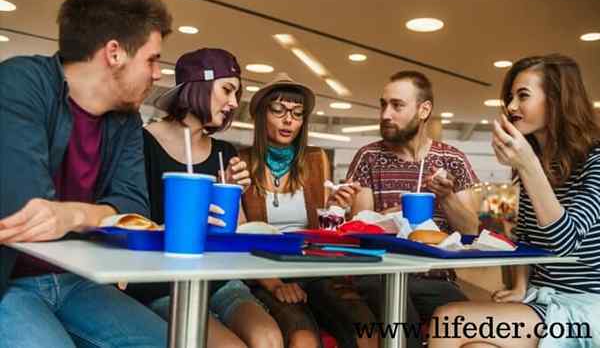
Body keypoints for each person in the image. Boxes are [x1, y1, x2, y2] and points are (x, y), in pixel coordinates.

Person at [0, 0, 172, 347]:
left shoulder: (126, 120)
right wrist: (98, 215)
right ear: (114, 53)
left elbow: (133, 208)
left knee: (169, 342)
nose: (157, 74)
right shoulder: (19, 83)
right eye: (152, 59)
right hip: (9, 281)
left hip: (75, 280)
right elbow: (27, 214)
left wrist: (73, 215)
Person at [429, 54, 600, 348]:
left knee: (448, 321)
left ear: (558, 100)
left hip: (584, 307)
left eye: (523, 96)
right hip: (540, 297)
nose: (510, 107)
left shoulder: (594, 161)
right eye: (510, 97)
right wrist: (448, 198)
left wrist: (528, 164)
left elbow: (565, 241)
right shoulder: (523, 172)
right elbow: (500, 236)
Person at [126, 48, 283, 348]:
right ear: (198, 85)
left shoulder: (225, 154)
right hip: (162, 284)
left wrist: (233, 195)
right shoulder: (141, 143)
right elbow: (133, 224)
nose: (234, 103)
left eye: (237, 94)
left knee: (269, 338)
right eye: (227, 90)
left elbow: (235, 230)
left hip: (218, 280)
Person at [239, 73, 377, 348]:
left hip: (316, 269)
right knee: (303, 339)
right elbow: (242, 238)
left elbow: (326, 231)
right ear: (261, 115)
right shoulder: (242, 163)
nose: (289, 120)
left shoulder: (316, 160)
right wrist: (276, 284)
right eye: (279, 110)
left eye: (297, 113)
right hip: (267, 273)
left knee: (368, 331)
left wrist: (337, 206)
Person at [346, 70, 480, 348]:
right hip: (379, 275)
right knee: (402, 325)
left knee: (470, 326)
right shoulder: (368, 157)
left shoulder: (452, 159)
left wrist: (447, 198)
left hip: (437, 278)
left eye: (397, 105)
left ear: (424, 110)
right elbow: (359, 228)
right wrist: (391, 218)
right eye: (383, 104)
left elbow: (471, 232)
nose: (385, 114)